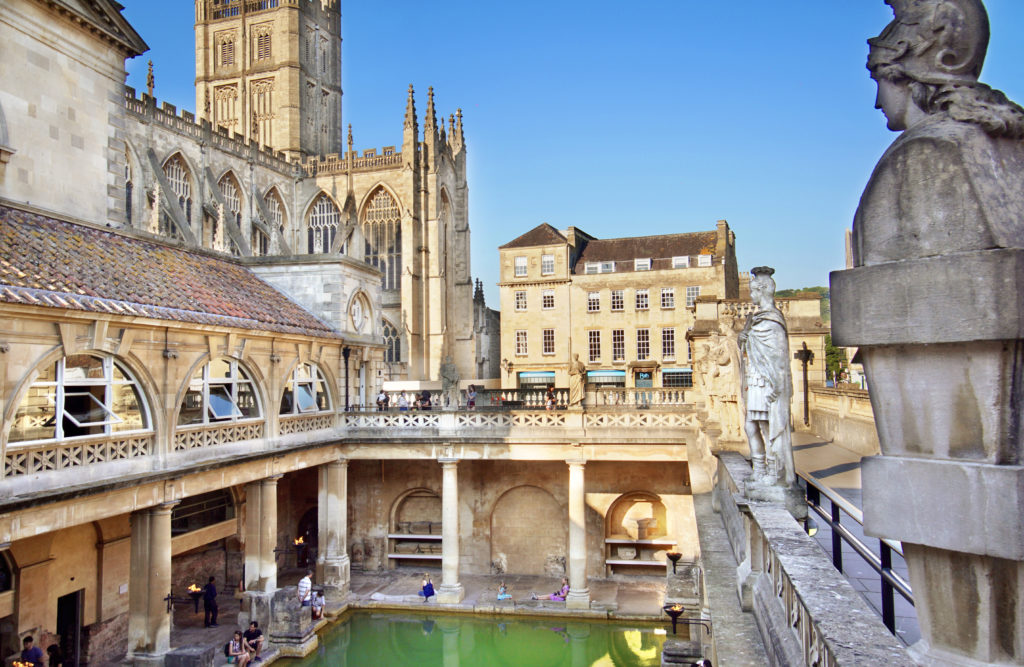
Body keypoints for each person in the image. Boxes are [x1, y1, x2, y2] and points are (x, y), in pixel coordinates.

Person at [738, 267, 794, 489]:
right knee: (751, 427)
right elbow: (748, 351)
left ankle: (774, 472)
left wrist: (776, 385)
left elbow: (779, 357)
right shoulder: (757, 318)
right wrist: (742, 339)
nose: (750, 294)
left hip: (767, 382)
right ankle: (759, 469)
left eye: (753, 290)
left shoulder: (772, 320)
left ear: (763, 291)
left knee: (767, 427)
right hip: (755, 379)